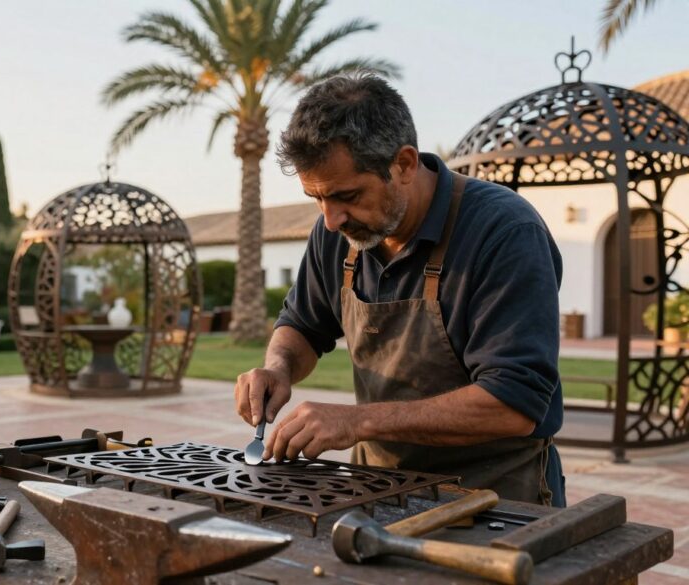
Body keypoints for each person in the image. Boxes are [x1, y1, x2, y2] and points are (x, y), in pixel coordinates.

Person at [233, 74, 565, 506]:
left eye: (346, 195)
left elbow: (514, 404)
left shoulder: (504, 232)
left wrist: (357, 421)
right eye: (316, 198)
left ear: (404, 164)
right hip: (377, 489)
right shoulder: (337, 230)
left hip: (496, 494)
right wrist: (278, 367)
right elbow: (302, 324)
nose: (331, 219)